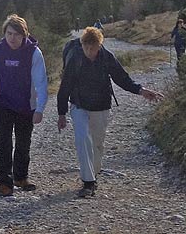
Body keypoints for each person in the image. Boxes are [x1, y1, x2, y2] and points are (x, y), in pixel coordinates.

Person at [54, 26, 160, 199]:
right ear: (82, 45)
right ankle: (88, 182)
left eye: (93, 48)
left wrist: (141, 90)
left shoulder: (106, 57)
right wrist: (61, 114)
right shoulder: (75, 58)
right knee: (82, 139)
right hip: (79, 105)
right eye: (86, 47)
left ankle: (93, 174)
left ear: (99, 46)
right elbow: (65, 86)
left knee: (97, 143)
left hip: (101, 106)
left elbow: (122, 78)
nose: (89, 51)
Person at [0, 15, 48, 197]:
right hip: (3, 104)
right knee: (3, 144)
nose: (12, 38)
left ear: (24, 35)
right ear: (4, 34)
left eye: (16, 34)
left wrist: (39, 108)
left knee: (24, 143)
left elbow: (41, 82)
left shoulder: (34, 53)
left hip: (26, 105)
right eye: (9, 33)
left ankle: (20, 177)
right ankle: (5, 184)